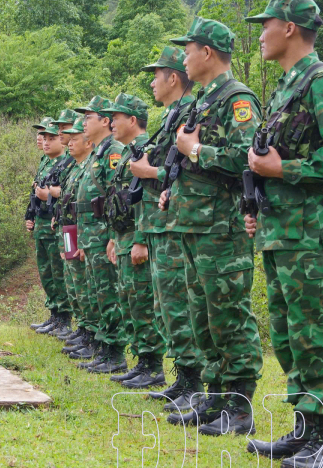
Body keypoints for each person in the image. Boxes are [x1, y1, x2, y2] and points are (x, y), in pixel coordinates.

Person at [242, 0, 323, 468]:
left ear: (289, 27)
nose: (261, 35)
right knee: (290, 335)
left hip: (314, 235)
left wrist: (283, 170)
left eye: (266, 24)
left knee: (316, 335)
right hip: (282, 232)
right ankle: (304, 430)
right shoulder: (286, 87)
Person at [159, 17, 264, 436]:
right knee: (203, 315)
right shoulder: (204, 99)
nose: (184, 58)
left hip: (222, 228)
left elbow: (247, 158)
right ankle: (215, 398)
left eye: (188, 50)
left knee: (228, 314)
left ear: (207, 52)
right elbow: (192, 162)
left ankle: (238, 406)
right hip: (195, 225)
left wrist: (197, 149)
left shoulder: (238, 98)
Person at [129, 47, 203, 410]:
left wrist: (149, 173)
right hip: (165, 222)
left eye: (156, 76)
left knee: (180, 304)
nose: (152, 83)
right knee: (167, 305)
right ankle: (184, 379)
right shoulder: (173, 114)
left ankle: (194, 382)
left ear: (173, 78)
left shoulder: (191, 111)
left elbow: (184, 169)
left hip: (178, 224)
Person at [102, 93, 167, 389]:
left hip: (138, 238)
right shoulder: (129, 152)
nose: (111, 122)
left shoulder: (146, 150)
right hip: (125, 237)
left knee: (142, 302)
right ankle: (142, 362)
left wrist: (141, 239)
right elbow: (122, 201)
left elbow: (149, 198)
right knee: (130, 302)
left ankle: (153, 366)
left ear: (132, 120)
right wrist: (116, 238)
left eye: (116, 117)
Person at [69, 97, 126, 370]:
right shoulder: (97, 152)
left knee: (108, 294)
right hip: (92, 236)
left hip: (104, 236)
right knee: (97, 294)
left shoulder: (113, 151)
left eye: (88, 118)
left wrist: (113, 236)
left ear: (105, 121)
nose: (83, 123)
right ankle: (104, 347)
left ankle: (114, 353)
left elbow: (116, 196)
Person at [55, 116, 93, 352]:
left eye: (75, 138)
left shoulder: (90, 166)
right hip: (71, 230)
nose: (69, 142)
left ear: (88, 143)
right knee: (75, 283)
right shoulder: (76, 169)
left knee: (86, 286)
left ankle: (92, 335)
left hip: (85, 233)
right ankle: (84, 329)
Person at [30, 123, 71, 335]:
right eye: (43, 138)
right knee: (47, 272)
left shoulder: (66, 162)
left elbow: (66, 194)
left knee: (58, 272)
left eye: (51, 138)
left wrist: (49, 197)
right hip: (42, 224)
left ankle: (64, 318)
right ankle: (55, 314)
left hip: (55, 225)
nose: (46, 142)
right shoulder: (45, 161)